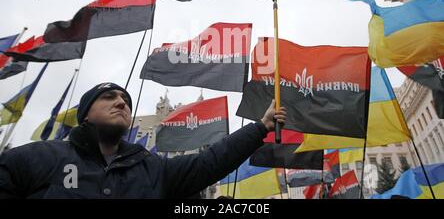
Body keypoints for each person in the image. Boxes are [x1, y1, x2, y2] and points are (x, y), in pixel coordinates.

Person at [0, 82, 286, 198]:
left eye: (126, 100)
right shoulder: (39, 158)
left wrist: (260, 127)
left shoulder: (152, 169)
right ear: (86, 114)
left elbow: (208, 162)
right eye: (109, 98)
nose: (121, 103)